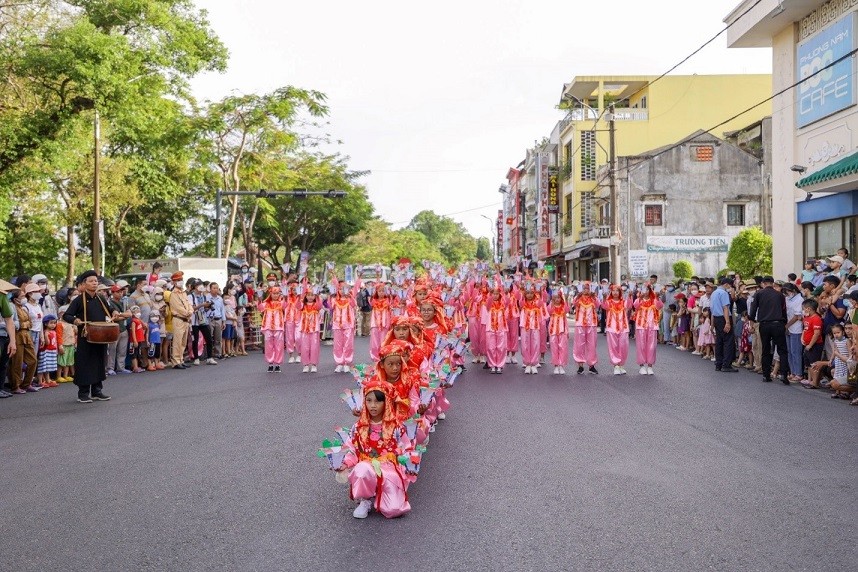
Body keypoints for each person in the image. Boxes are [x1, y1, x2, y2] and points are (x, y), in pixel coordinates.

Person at [336, 377, 413, 520]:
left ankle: (383, 493)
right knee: (361, 470)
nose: (373, 405)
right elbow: (352, 449)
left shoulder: (395, 426)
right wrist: (344, 463)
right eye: (369, 400)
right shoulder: (359, 427)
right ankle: (365, 499)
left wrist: (408, 463)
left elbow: (406, 448)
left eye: (378, 401)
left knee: (394, 510)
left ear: (387, 402)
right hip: (367, 465)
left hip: (389, 469)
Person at [62, 270, 111, 403]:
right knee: (85, 363)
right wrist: (75, 320)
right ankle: (83, 393)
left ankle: (97, 391)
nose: (94, 283)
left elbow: (110, 311)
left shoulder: (101, 298)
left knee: (99, 362)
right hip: (86, 336)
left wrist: (117, 312)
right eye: (91, 281)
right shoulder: (79, 300)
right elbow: (66, 315)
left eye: (96, 281)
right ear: (84, 284)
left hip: (100, 336)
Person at [748, 276, 789, 384]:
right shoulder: (780, 295)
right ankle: (784, 375)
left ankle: (766, 375)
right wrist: (784, 322)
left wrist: (751, 322)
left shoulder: (758, 294)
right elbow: (784, 310)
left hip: (764, 324)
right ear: (772, 283)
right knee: (782, 350)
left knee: (765, 349)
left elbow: (753, 310)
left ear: (763, 283)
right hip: (778, 323)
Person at [9, 288, 38, 394]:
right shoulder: (13, 308)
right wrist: (24, 324)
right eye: (21, 296)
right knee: (17, 362)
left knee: (33, 360)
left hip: (27, 335)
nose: (24, 298)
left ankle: (26, 384)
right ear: (15, 299)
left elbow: (30, 323)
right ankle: (15, 385)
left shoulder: (24, 308)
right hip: (17, 336)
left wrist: (25, 324)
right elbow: (15, 324)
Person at [633, 284, 663, 375]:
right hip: (641, 326)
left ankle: (650, 366)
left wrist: (657, 297)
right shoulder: (639, 300)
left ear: (650, 290)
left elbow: (659, 306)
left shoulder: (654, 300)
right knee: (641, 346)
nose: (645, 291)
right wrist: (640, 298)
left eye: (647, 289)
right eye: (643, 289)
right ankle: (641, 366)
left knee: (652, 346)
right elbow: (635, 306)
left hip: (652, 326)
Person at [602, 285, 631, 375]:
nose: (615, 292)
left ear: (620, 292)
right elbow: (604, 306)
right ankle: (616, 365)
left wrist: (630, 296)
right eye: (613, 291)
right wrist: (604, 298)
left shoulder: (624, 302)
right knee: (613, 346)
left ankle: (621, 364)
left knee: (623, 346)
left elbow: (629, 306)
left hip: (623, 327)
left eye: (617, 291)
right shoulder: (609, 302)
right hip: (612, 328)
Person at [330, 279, 359, 373]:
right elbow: (330, 306)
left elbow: (354, 305)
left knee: (348, 344)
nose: (343, 291)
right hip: (337, 325)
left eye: (345, 289)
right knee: (337, 345)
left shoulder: (350, 299)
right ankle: (339, 363)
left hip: (348, 325)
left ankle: (346, 362)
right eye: (341, 289)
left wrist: (350, 296)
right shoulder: (335, 300)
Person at [710, 277, 737, 373]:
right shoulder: (724, 293)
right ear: (726, 284)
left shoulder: (714, 293)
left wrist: (712, 324)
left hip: (716, 318)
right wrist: (728, 322)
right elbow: (725, 308)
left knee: (719, 342)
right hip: (724, 318)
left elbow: (712, 310)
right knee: (728, 341)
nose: (730, 288)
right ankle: (726, 364)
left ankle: (719, 363)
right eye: (730, 286)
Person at [572, 282, 599, 374]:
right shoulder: (578, 298)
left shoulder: (593, 298)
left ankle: (592, 366)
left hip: (591, 324)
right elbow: (574, 304)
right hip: (580, 324)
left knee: (592, 345)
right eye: (584, 288)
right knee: (579, 345)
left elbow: (598, 305)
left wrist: (594, 296)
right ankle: (580, 366)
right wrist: (578, 296)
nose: (585, 290)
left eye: (587, 288)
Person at [481, 284, 508, 374]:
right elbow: (488, 301)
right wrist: (490, 292)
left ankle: (499, 365)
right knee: (491, 347)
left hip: (501, 328)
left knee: (501, 347)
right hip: (490, 329)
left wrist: (504, 290)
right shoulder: (489, 305)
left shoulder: (503, 305)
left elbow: (506, 300)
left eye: (497, 294)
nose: (495, 295)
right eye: (494, 293)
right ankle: (492, 364)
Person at [519, 284, 546, 375]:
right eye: (528, 293)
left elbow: (542, 300)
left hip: (535, 325)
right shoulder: (523, 303)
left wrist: (541, 291)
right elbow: (520, 299)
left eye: (531, 293)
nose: (529, 295)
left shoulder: (537, 303)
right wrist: (522, 290)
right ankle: (527, 364)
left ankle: (534, 363)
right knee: (525, 344)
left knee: (535, 344)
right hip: (525, 326)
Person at [258, 285, 286, 372]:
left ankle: (277, 364)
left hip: (278, 327)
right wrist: (259, 298)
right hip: (268, 327)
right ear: (271, 294)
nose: (275, 295)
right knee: (269, 346)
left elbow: (285, 304)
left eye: (277, 293)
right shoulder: (266, 303)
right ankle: (270, 363)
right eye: (274, 293)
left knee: (279, 346)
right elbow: (260, 308)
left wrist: (285, 296)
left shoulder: (281, 303)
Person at [189, 279, 217, 366]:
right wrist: (202, 305)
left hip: (203, 320)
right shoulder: (191, 296)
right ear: (194, 287)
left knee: (208, 339)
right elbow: (191, 308)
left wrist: (208, 306)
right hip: (194, 321)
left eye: (201, 285)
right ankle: (196, 358)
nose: (201, 287)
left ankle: (209, 357)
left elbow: (205, 309)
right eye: (198, 285)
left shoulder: (203, 296)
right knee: (195, 340)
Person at [168, 272, 193, 369]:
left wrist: (190, 311)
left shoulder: (183, 292)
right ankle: (176, 361)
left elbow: (189, 304)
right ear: (174, 282)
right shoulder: (173, 293)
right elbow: (178, 307)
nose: (180, 282)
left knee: (183, 342)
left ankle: (181, 359)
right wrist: (188, 313)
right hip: (178, 319)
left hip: (185, 320)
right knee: (177, 342)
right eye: (178, 280)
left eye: (181, 280)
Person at [106, 284, 131, 375]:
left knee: (122, 350)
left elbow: (130, 314)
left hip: (123, 328)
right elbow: (114, 318)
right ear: (112, 293)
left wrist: (120, 315)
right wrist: (123, 316)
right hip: (114, 329)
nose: (120, 293)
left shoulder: (124, 302)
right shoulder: (110, 303)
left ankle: (121, 367)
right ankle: (110, 368)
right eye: (118, 292)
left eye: (121, 292)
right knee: (112, 350)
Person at [783, 282, 805, 383]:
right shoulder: (787, 298)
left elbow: (797, 316)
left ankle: (798, 373)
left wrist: (787, 325)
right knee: (789, 352)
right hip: (788, 327)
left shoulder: (799, 299)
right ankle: (792, 372)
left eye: (788, 291)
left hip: (796, 328)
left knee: (796, 352)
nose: (787, 293)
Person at [799, 299, 824, 387]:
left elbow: (816, 333)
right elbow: (805, 329)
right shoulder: (807, 318)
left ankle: (815, 383)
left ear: (809, 308)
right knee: (808, 363)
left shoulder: (816, 319)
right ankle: (811, 380)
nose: (803, 310)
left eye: (804, 308)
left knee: (814, 364)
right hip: (807, 344)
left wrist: (810, 345)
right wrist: (802, 337)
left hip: (815, 345)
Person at [0, 279, 18, 398]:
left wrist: (12, 341)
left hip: (2, 335)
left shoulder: (1, 296)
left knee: (2, 364)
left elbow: (8, 320)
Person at [298, 287, 323, 373]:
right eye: (308, 295)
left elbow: (320, 305)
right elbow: (297, 305)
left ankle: (314, 364)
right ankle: (305, 364)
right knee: (305, 347)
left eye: (312, 295)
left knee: (314, 347)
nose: (310, 297)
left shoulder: (316, 306)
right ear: (305, 296)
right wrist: (299, 296)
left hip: (314, 330)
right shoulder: (303, 305)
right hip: (305, 330)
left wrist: (317, 296)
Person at [548, 288, 570, 375]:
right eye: (556, 298)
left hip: (562, 330)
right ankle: (556, 365)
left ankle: (561, 365)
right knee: (554, 348)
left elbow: (567, 309)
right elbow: (549, 311)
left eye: (559, 298)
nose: (557, 299)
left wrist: (566, 299)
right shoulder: (551, 306)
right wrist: (551, 302)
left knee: (563, 348)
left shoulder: (563, 307)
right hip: (553, 330)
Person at [37, 315, 59, 387]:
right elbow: (47, 343)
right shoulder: (45, 332)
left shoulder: (53, 332)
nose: (53, 325)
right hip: (45, 351)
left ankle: (48, 380)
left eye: (54, 323)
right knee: (42, 366)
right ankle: (40, 381)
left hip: (52, 351)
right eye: (51, 323)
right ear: (46, 324)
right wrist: (46, 336)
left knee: (48, 367)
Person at [208, 282, 225, 359]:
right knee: (209, 337)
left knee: (218, 338)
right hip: (210, 319)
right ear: (210, 289)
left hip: (218, 319)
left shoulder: (220, 299)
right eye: (214, 288)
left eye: (217, 288)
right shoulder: (207, 297)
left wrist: (223, 321)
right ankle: (209, 354)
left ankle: (218, 353)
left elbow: (222, 310)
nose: (215, 290)